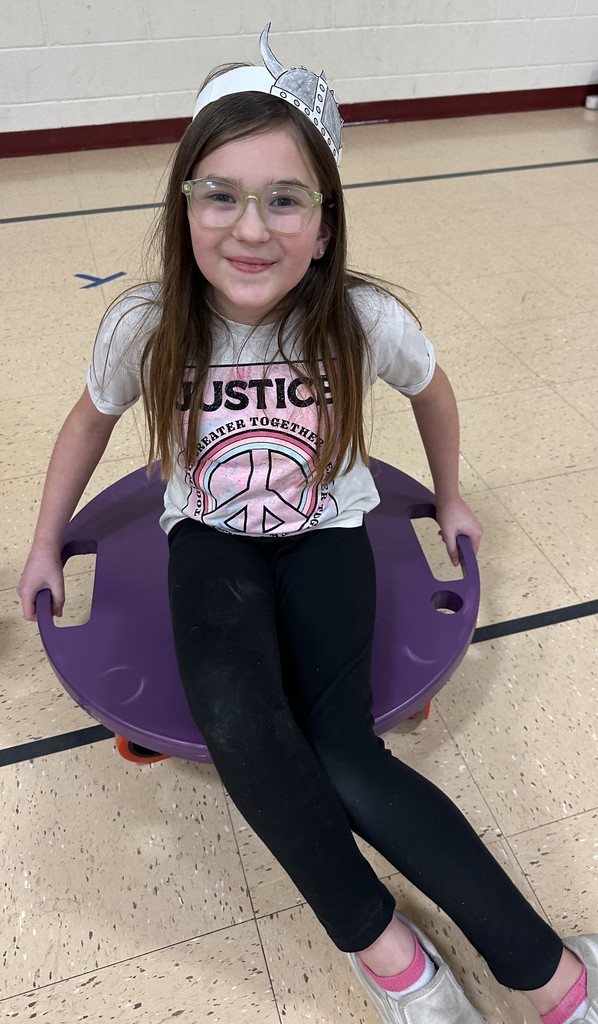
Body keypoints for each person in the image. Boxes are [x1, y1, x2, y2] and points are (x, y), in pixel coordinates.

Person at [18, 25, 597, 1024]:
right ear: (183, 206)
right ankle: (392, 957)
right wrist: (41, 541)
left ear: (324, 224)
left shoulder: (361, 319)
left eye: (285, 199)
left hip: (330, 533)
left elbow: (434, 390)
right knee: (242, 723)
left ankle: (549, 979)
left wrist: (450, 495)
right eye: (221, 195)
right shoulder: (147, 322)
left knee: (342, 751)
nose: (252, 228)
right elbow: (86, 422)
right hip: (208, 538)